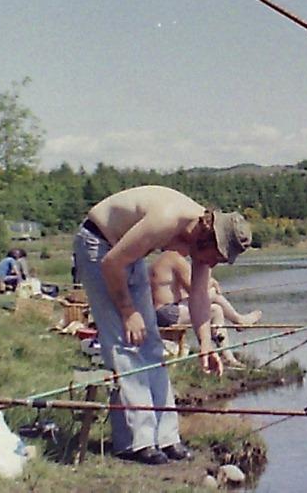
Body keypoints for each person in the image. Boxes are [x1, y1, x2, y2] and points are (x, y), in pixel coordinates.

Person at [72, 185, 252, 465]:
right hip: (99, 247)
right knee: (127, 343)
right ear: (207, 237)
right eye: (216, 256)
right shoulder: (167, 219)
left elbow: (200, 296)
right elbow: (111, 263)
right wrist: (128, 310)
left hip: (126, 256)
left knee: (152, 345)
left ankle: (167, 438)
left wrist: (205, 344)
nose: (214, 263)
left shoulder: (200, 239)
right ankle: (136, 442)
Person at [150, 250, 262, 366]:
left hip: (158, 313)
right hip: (167, 313)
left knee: (216, 310)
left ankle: (228, 357)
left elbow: (177, 293)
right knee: (212, 295)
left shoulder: (160, 260)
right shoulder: (175, 258)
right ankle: (239, 321)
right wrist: (211, 282)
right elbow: (196, 289)